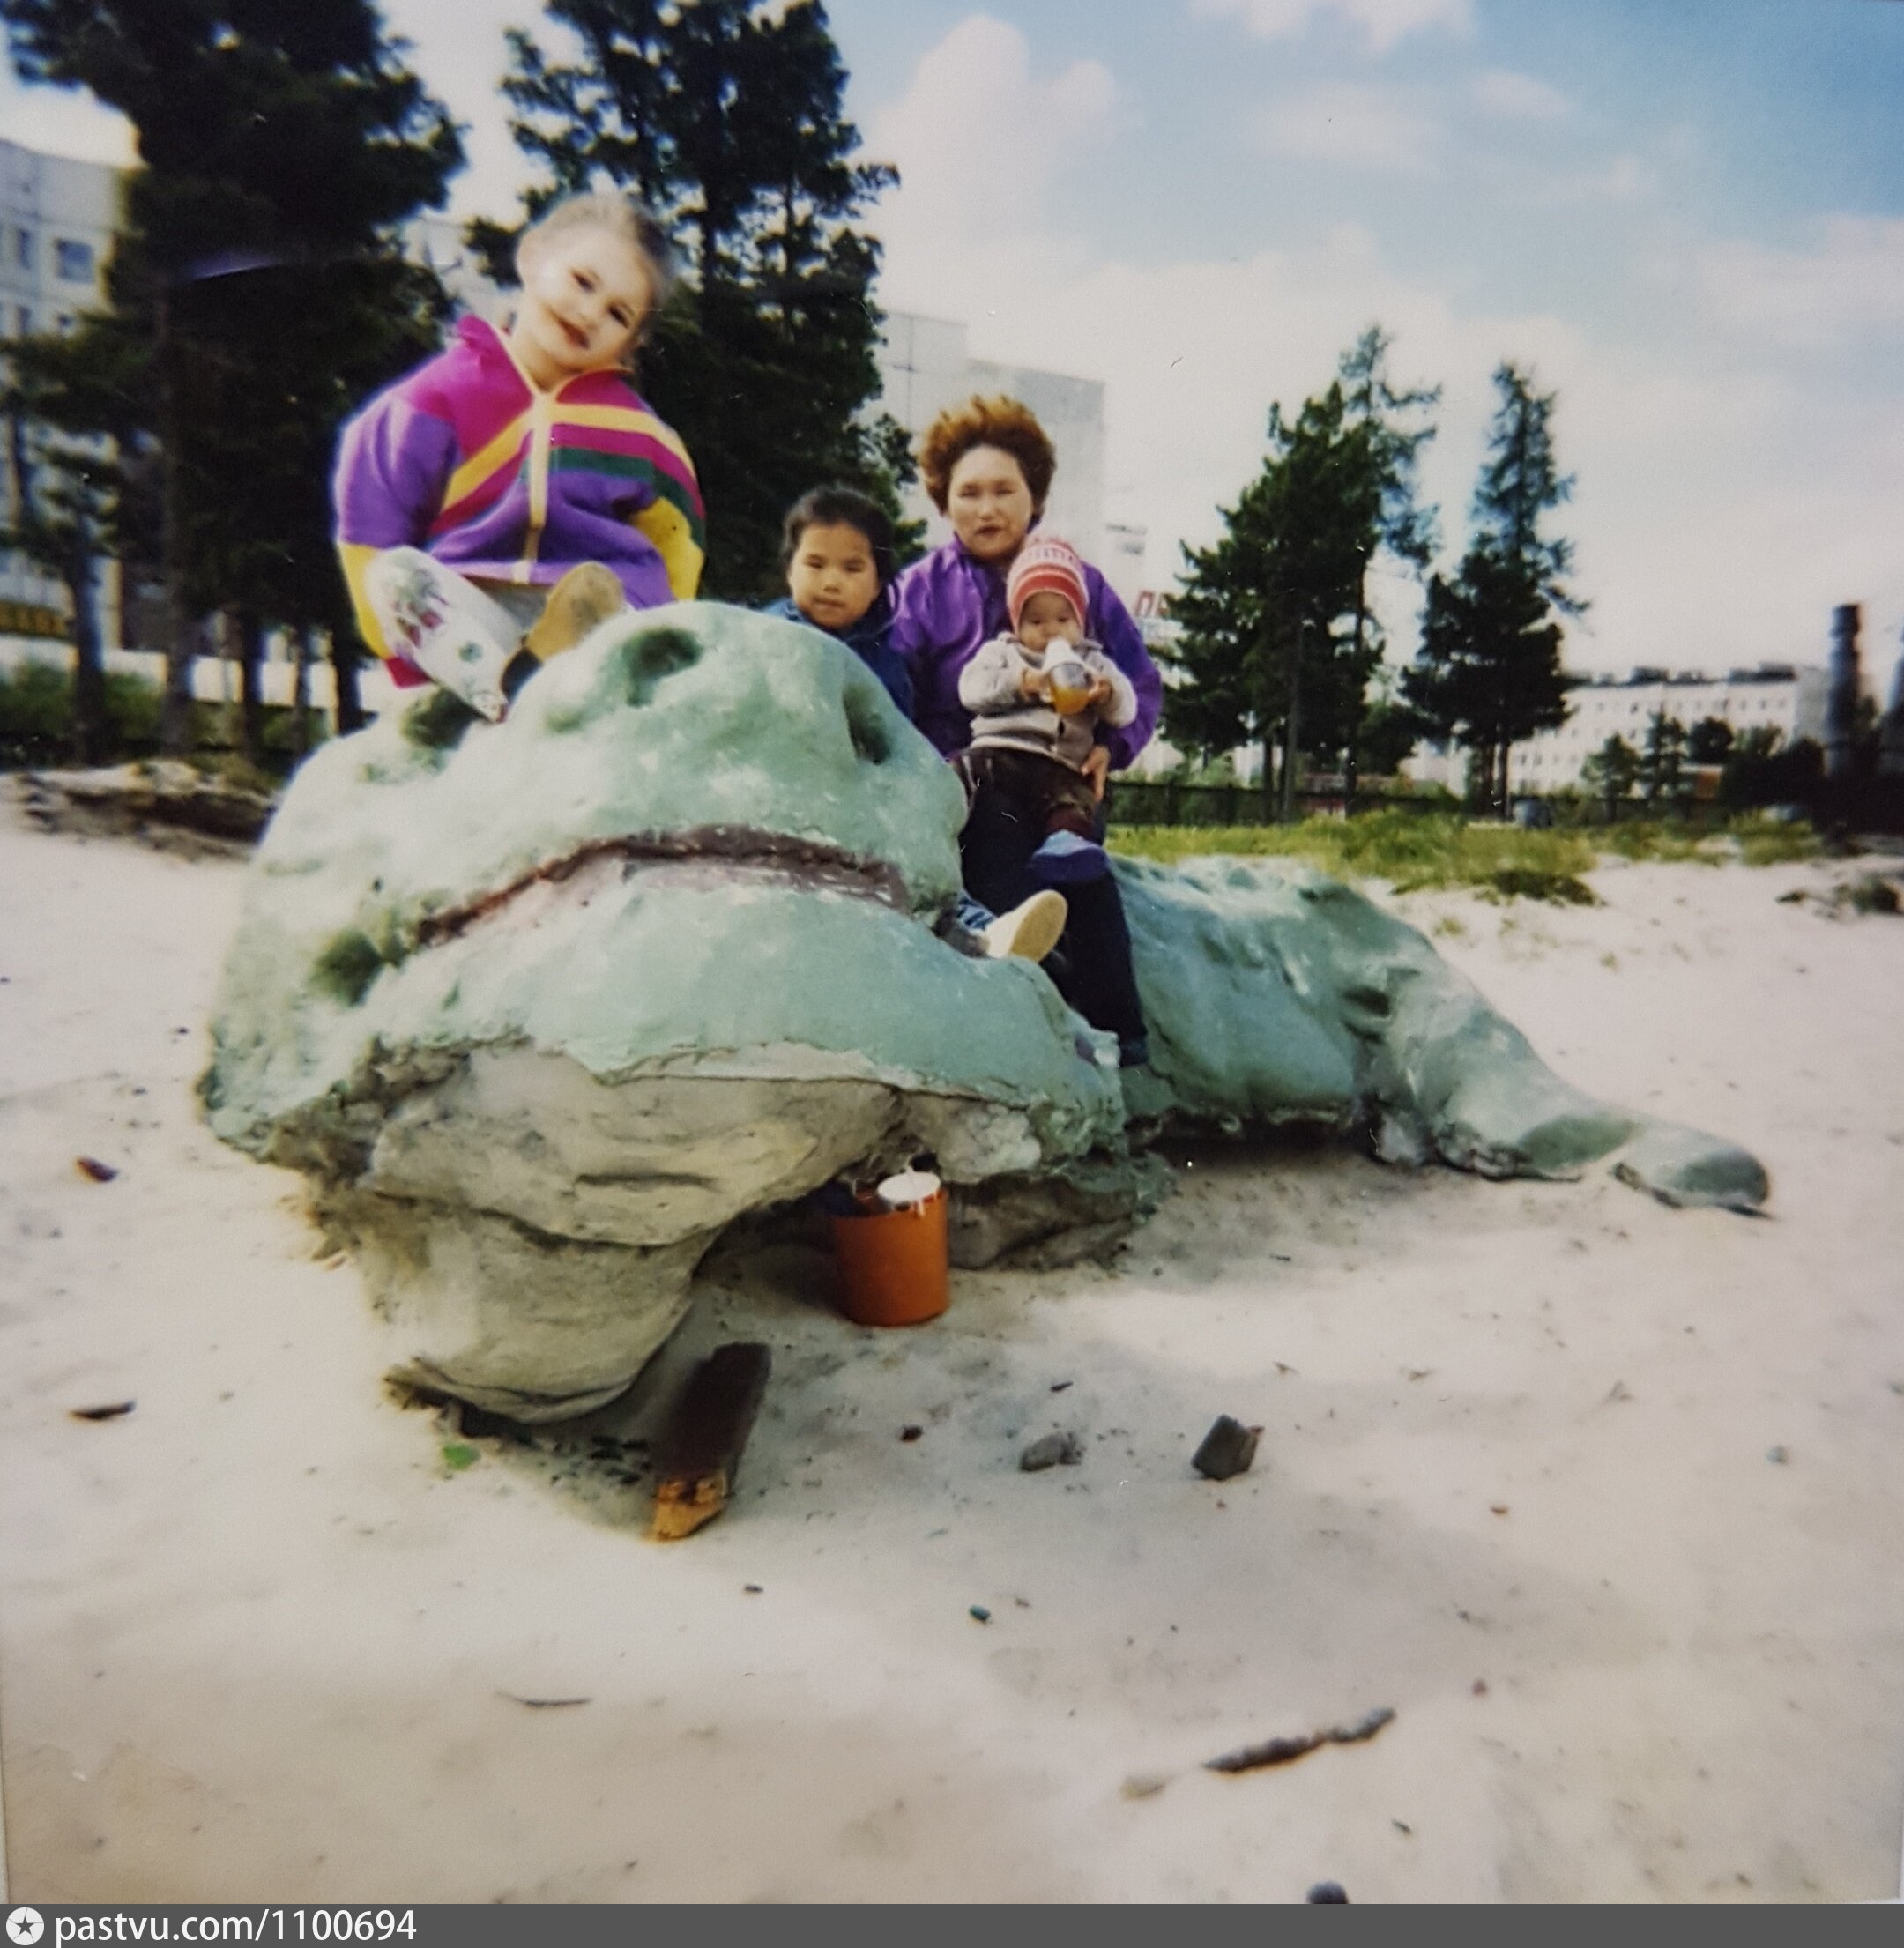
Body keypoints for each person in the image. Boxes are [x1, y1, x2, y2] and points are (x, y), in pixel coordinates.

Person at [333, 191, 704, 721]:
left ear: (631, 343)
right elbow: (370, 524)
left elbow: (677, 552)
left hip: (584, 629)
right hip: (470, 619)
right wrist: (402, 663)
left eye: (617, 314)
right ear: (532, 257)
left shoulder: (644, 438)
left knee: (611, 605)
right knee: (393, 577)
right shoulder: (431, 401)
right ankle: (502, 691)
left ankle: (551, 682)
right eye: (582, 282)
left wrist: (650, 624)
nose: (589, 313)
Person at [889, 397, 1160, 1065]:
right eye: (969, 493)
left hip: (1064, 774)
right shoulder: (920, 591)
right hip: (970, 784)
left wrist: (1112, 747)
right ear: (944, 501)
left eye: (1004, 490)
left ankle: (1120, 1036)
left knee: (1083, 876)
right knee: (999, 871)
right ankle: (1031, 1036)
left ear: (1034, 495)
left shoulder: (1082, 585)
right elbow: (894, 692)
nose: (988, 509)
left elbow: (1138, 683)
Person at [765, 483, 1067, 965]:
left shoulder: (887, 664)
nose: (831, 582)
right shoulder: (771, 639)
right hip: (786, 793)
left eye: (852, 568)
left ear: (879, 584)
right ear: (789, 569)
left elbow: (899, 742)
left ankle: (983, 931)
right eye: (815, 564)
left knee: (920, 857)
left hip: (859, 798)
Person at [958, 536, 1138, 886]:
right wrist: (1021, 683)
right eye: (1036, 621)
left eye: (1063, 619)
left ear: (1080, 621)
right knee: (975, 778)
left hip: (1059, 764)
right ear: (1016, 623)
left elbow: (1127, 709)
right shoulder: (1003, 652)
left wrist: (1106, 694)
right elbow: (971, 689)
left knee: (1074, 797)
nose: (1051, 630)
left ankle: (1065, 845)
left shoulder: (1092, 660)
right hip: (1002, 753)